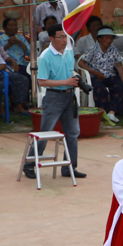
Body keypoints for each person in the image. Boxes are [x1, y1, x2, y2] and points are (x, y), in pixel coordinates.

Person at [33, 24, 84, 177]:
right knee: (45, 132)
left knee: (73, 132)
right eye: (60, 37)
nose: (64, 40)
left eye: (65, 36)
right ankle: (29, 164)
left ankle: (69, 167)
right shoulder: (45, 56)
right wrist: (65, 82)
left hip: (69, 96)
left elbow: (69, 71)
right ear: (51, 38)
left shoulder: (68, 50)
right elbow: (42, 82)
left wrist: (75, 80)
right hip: (54, 96)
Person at [0, 17, 32, 117]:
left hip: (21, 64)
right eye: (10, 25)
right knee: (10, 79)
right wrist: (8, 45)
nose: (14, 27)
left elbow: (29, 52)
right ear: (4, 28)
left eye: (15, 25)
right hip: (6, 66)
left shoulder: (21, 37)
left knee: (27, 77)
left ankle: (20, 103)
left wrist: (20, 43)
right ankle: (13, 103)